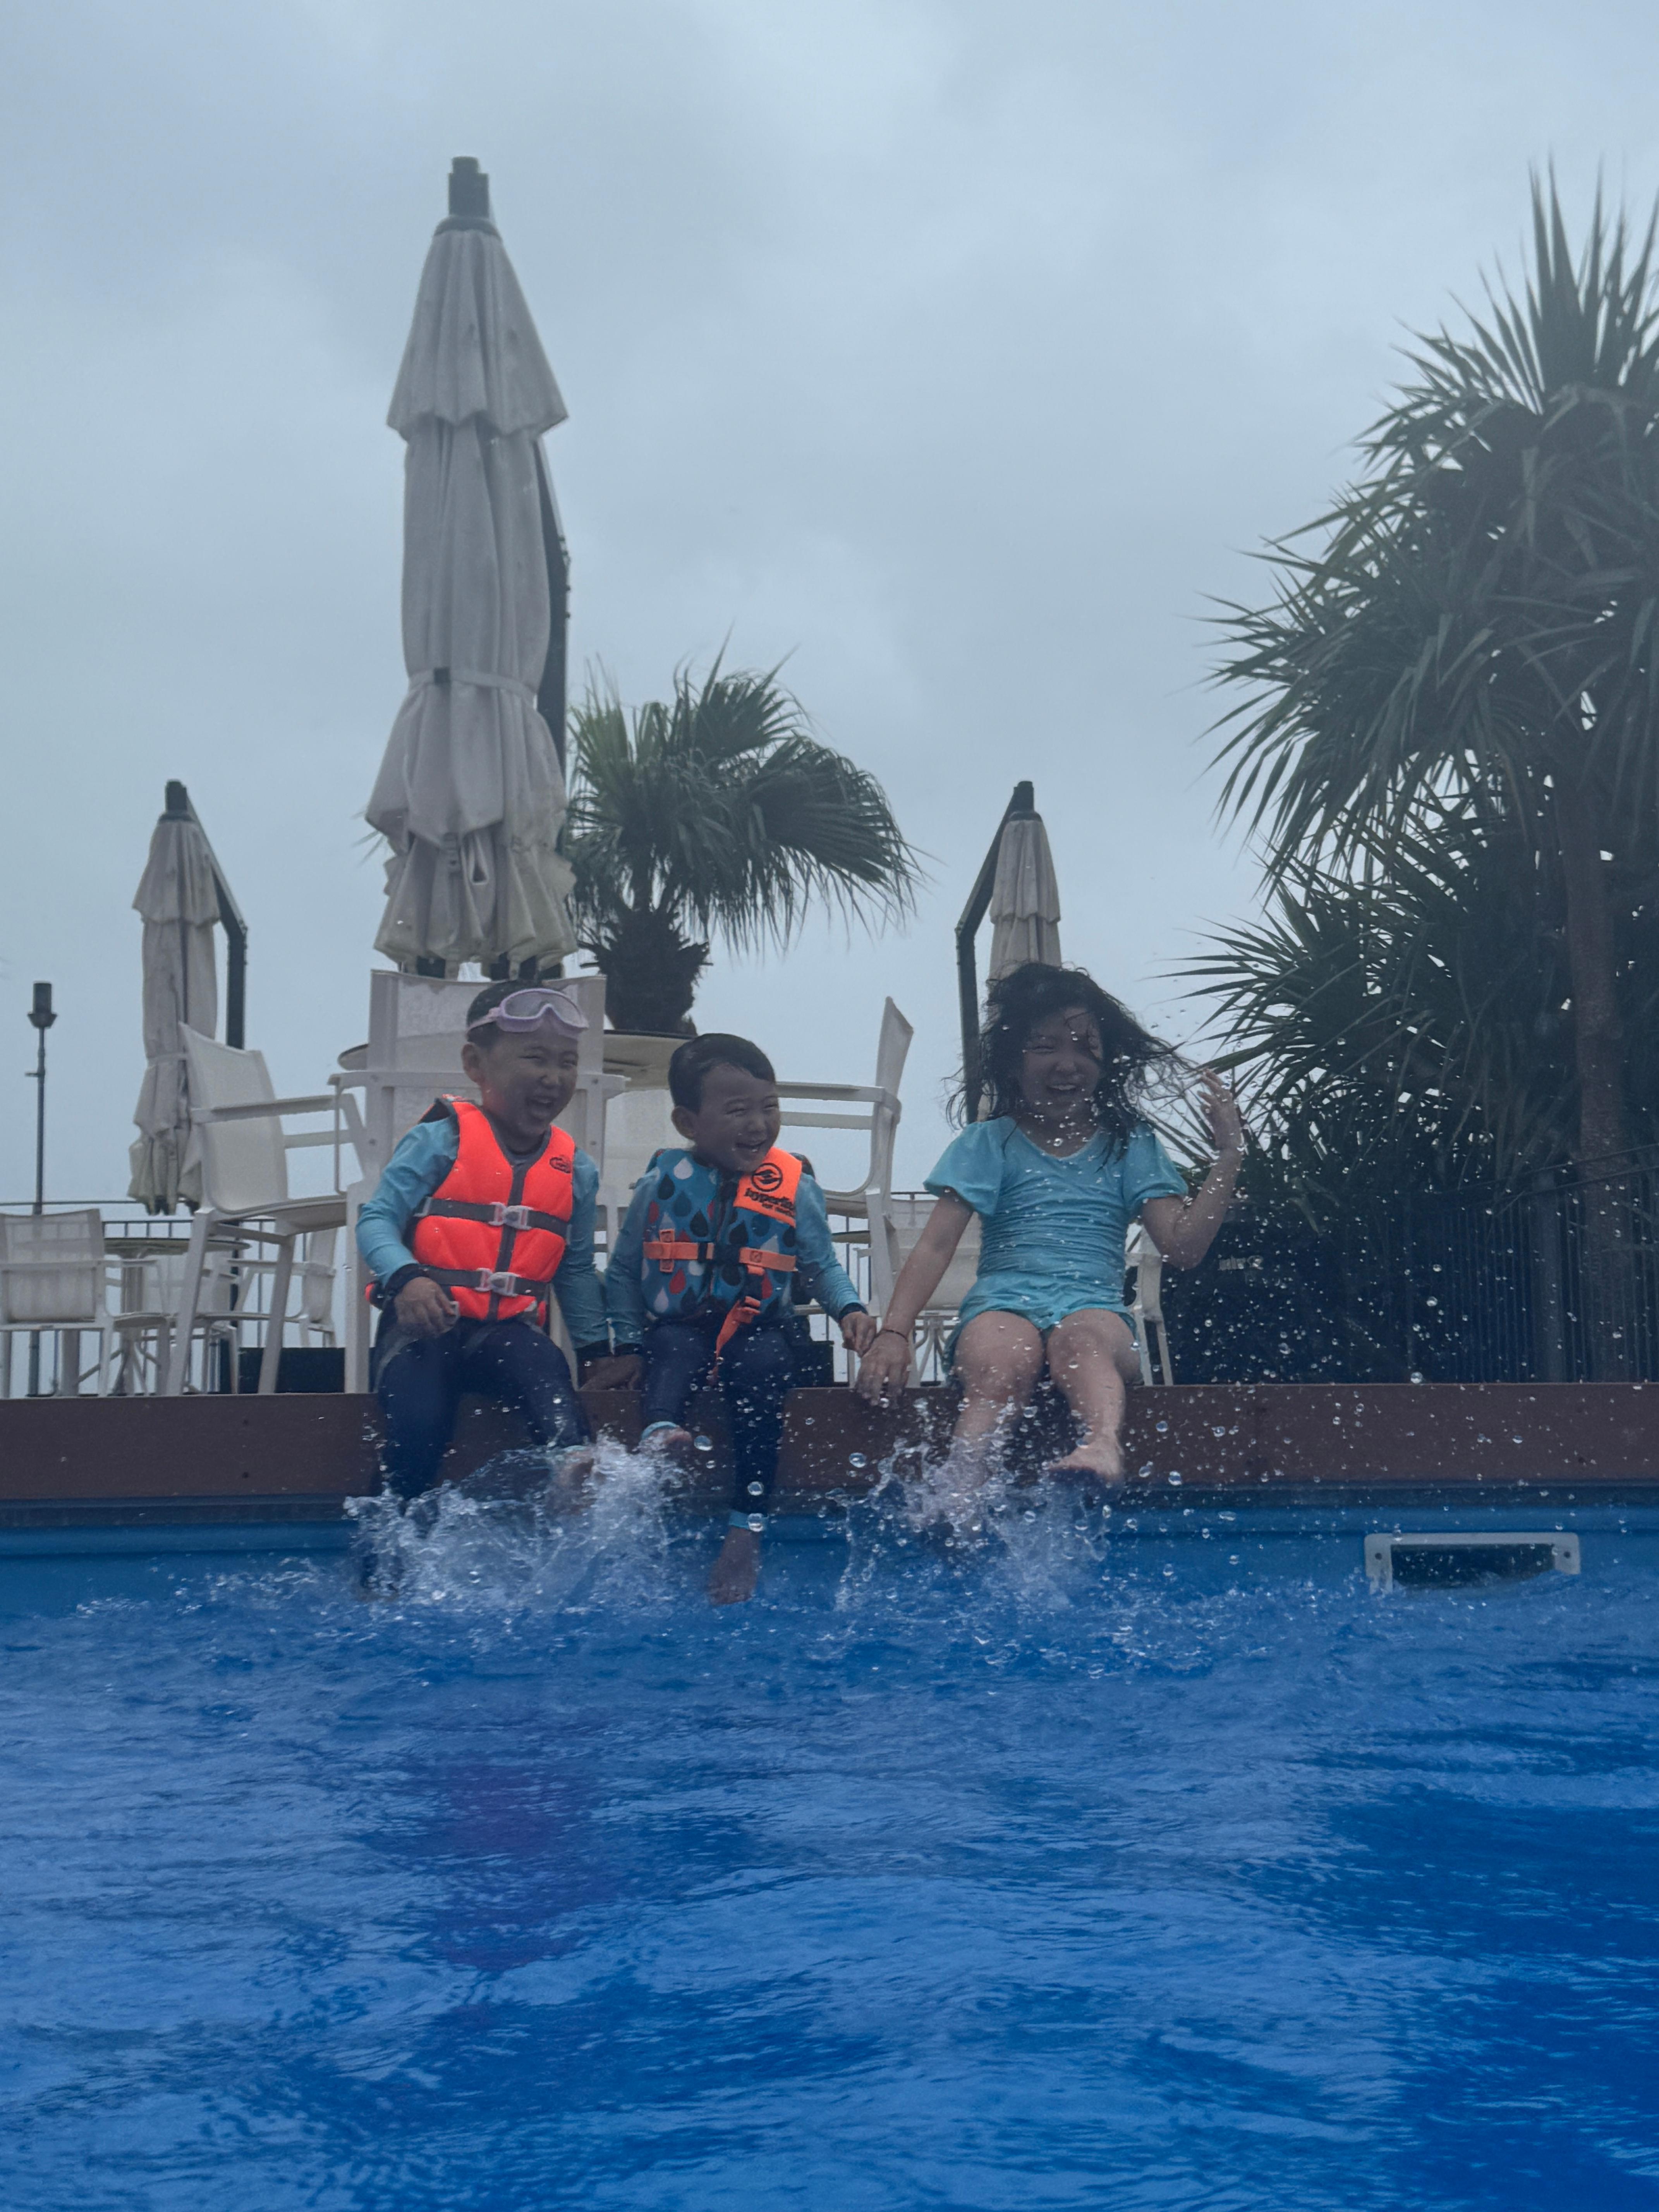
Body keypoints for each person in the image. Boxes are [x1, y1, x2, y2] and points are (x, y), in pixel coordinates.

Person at [853, 961, 1243, 1499]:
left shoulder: (1129, 1144)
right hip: (1001, 1304)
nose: (1067, 1063)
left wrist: (1229, 1156)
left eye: (1086, 1047)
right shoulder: (988, 1143)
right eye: (1045, 1047)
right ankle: (962, 1485)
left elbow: (1183, 1248)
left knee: (1078, 1342)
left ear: (1106, 1063)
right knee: (1002, 1361)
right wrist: (895, 1333)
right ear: (1013, 1061)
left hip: (1095, 1308)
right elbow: (935, 1247)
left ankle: (1102, 1444)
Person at [593, 1033, 879, 1606]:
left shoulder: (795, 1188)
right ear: (688, 1122)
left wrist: (850, 1308)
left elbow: (821, 1265)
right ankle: (660, 1433)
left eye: (769, 1107)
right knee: (671, 1349)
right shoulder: (658, 1185)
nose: (758, 1125)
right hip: (680, 1326)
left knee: (764, 1374)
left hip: (760, 1327)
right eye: (738, 1110)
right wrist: (626, 1344)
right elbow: (622, 1272)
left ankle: (745, 1527)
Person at [356, 980, 610, 1511]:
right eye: (535, 1058)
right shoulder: (439, 1141)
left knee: (545, 1371)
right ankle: (385, 1544)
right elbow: (377, 1219)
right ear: (476, 1064)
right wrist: (407, 1278)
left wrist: (597, 1353)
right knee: (419, 1425)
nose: (553, 1078)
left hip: (507, 1333)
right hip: (424, 1330)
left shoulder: (576, 1171)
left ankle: (573, 1468)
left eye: (567, 1062)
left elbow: (575, 1269)